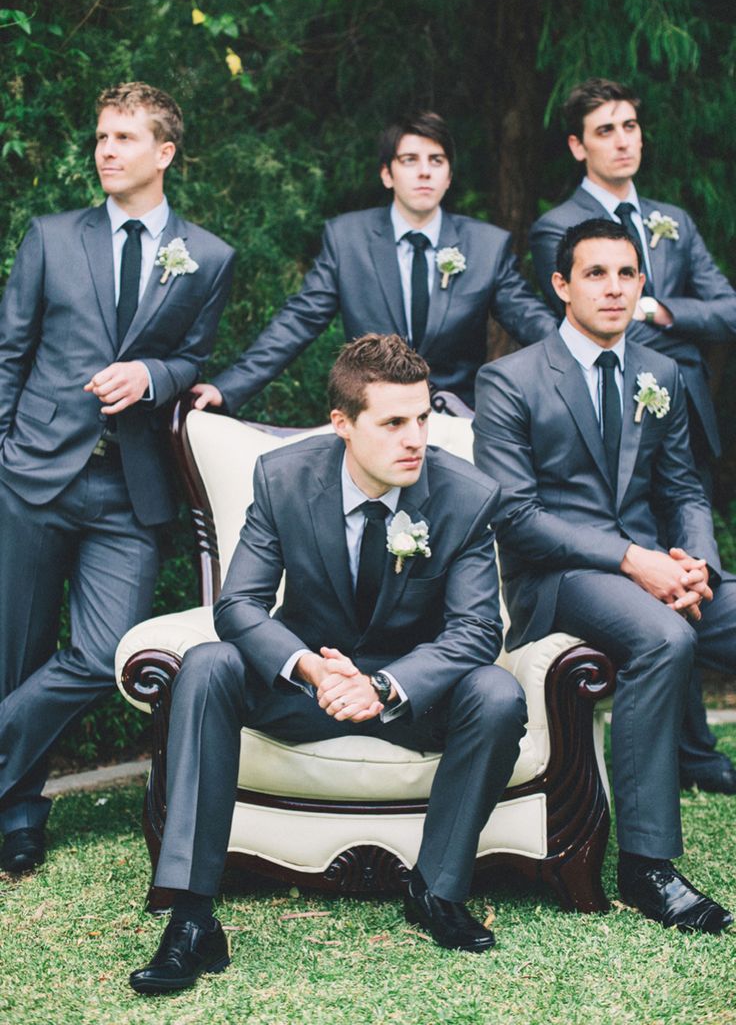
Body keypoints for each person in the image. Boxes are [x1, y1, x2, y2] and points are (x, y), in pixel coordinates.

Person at [130, 334, 528, 993]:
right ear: (342, 423)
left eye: (424, 418)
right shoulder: (282, 477)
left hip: (411, 697)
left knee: (496, 692)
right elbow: (240, 605)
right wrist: (312, 669)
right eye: (394, 422)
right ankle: (193, 918)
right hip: (305, 687)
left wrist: (385, 684)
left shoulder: (466, 496)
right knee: (206, 663)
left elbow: (476, 630)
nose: (415, 438)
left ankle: (437, 889)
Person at [473, 219, 735, 936]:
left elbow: (684, 490)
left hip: (657, 568)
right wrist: (633, 560)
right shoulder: (511, 380)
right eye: (596, 273)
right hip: (558, 579)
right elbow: (516, 516)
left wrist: (696, 563)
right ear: (562, 285)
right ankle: (647, 866)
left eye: (627, 274)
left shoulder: (663, 373)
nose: (615, 288)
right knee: (662, 639)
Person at [0, 82, 235, 874]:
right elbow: (10, 354)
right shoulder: (51, 238)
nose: (106, 150)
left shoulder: (207, 256)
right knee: (19, 653)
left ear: (164, 153)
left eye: (125, 138)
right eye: (101, 136)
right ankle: (21, 813)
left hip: (129, 492)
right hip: (33, 475)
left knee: (107, 653)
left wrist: (152, 376)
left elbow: (192, 358)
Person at [528, 77, 736, 793]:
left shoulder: (670, 218)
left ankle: (694, 750)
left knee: (686, 556)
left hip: (670, 411)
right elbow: (575, 336)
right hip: (587, 456)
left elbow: (727, 307)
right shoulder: (559, 224)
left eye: (631, 125)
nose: (625, 139)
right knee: (659, 609)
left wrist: (659, 310)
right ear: (578, 145)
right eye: (607, 128)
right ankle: (689, 758)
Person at [192, 110, 558, 414]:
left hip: (457, 422)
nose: (424, 171)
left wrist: (586, 351)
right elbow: (298, 322)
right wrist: (227, 388)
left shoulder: (486, 246)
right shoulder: (347, 239)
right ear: (387, 174)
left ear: (449, 176)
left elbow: (528, 317)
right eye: (409, 160)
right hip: (371, 419)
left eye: (437, 161)